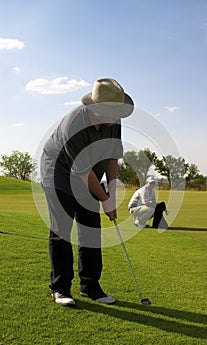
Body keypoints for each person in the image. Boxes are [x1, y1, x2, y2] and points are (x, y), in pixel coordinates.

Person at [40, 78, 134, 306]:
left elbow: (112, 158)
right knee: (62, 228)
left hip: (89, 171)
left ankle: (90, 286)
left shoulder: (114, 120)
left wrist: (111, 195)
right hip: (59, 173)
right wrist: (104, 199)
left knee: (91, 227)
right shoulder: (74, 124)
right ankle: (60, 288)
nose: (116, 116)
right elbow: (82, 172)